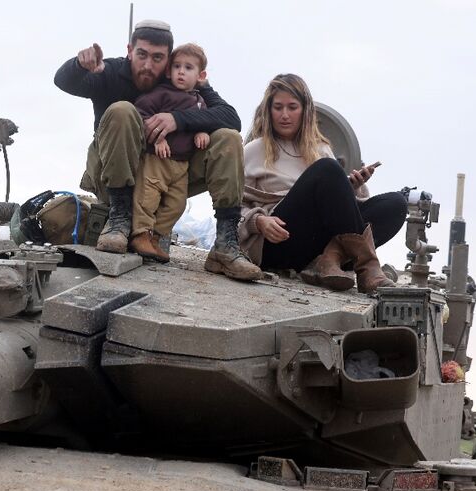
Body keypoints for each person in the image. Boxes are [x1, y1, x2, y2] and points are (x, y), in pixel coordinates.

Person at [54, 20, 262, 281]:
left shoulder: (181, 80)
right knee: (122, 110)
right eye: (142, 54)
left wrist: (178, 119)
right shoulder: (111, 71)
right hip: (113, 174)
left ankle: (225, 244)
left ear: (168, 60)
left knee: (228, 138)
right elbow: (63, 81)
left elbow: (231, 119)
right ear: (130, 51)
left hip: (169, 176)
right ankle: (119, 220)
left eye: (157, 58)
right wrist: (79, 64)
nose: (148, 65)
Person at [240, 74, 406, 292]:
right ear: (268, 110)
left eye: (292, 107)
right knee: (327, 169)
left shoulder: (320, 149)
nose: (285, 115)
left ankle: (329, 259)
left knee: (395, 204)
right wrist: (258, 221)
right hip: (278, 240)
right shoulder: (254, 150)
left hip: (317, 243)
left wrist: (351, 188)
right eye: (278, 107)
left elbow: (338, 209)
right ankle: (367, 268)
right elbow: (230, 207)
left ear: (305, 110)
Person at [128, 43, 211, 262]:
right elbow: (140, 114)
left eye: (188, 68)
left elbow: (205, 121)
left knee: (177, 204)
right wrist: (158, 138)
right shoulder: (161, 93)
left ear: (201, 75)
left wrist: (202, 132)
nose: (181, 72)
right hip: (157, 159)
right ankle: (140, 234)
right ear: (168, 71)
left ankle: (156, 237)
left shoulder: (201, 102)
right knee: (147, 197)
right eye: (177, 66)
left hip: (181, 165)